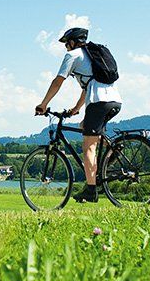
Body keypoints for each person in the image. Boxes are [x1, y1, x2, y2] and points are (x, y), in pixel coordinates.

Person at [35, 27, 122, 203]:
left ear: (73, 42)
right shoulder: (91, 56)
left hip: (98, 102)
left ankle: (91, 190)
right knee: (84, 126)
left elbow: (58, 81)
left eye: (67, 43)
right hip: (114, 100)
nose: (66, 47)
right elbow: (87, 87)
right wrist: (75, 109)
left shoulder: (73, 55)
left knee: (88, 147)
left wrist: (43, 105)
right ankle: (113, 150)